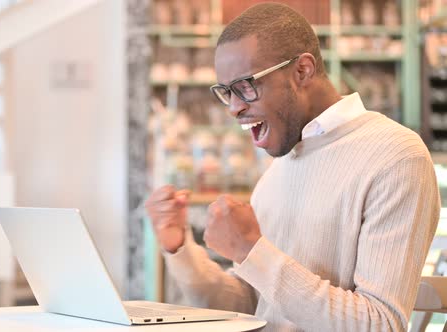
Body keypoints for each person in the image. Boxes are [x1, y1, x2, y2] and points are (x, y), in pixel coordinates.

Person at [145, 3, 440, 331]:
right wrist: (181, 250)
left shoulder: (395, 157)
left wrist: (251, 250)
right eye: (226, 92)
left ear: (302, 70)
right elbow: (253, 305)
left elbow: (379, 324)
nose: (233, 108)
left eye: (245, 86)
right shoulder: (281, 165)